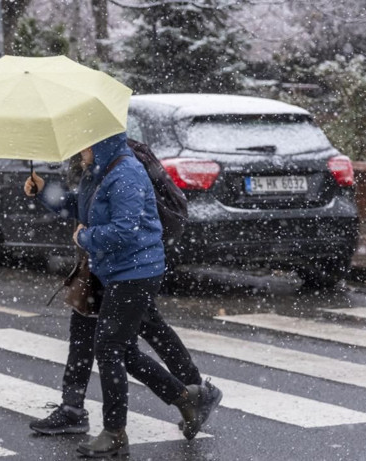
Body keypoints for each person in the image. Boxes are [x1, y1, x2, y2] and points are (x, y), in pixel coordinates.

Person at [24, 133, 220, 457]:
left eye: (83, 145)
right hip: (114, 272)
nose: (79, 152)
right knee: (123, 350)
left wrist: (86, 237)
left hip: (136, 273)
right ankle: (188, 399)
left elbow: (124, 231)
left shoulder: (125, 172)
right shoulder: (98, 170)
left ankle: (115, 431)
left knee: (110, 348)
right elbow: (80, 206)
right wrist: (44, 191)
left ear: (99, 142)